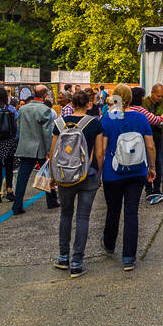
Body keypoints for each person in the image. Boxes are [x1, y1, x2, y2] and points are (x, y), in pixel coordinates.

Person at [94, 85, 155, 272]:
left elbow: (101, 150)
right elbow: (150, 145)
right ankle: (128, 257)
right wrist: (151, 167)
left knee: (112, 210)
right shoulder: (140, 117)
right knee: (131, 212)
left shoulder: (108, 119)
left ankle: (110, 243)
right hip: (137, 171)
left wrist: (98, 172)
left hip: (113, 173)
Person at [52, 89, 104, 277]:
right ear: (88, 104)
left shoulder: (59, 124)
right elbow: (99, 153)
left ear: (71, 104)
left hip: (65, 175)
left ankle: (63, 256)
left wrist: (52, 175)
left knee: (65, 214)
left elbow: (53, 153)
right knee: (83, 218)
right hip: (87, 173)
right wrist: (98, 174)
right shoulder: (94, 124)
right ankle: (77, 262)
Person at [12, 84, 57, 214]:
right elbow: (46, 133)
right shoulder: (44, 110)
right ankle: (51, 201)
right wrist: (49, 150)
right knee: (46, 174)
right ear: (44, 95)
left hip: (25, 146)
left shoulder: (22, 109)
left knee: (22, 177)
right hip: (40, 148)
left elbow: (19, 129)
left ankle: (17, 205)